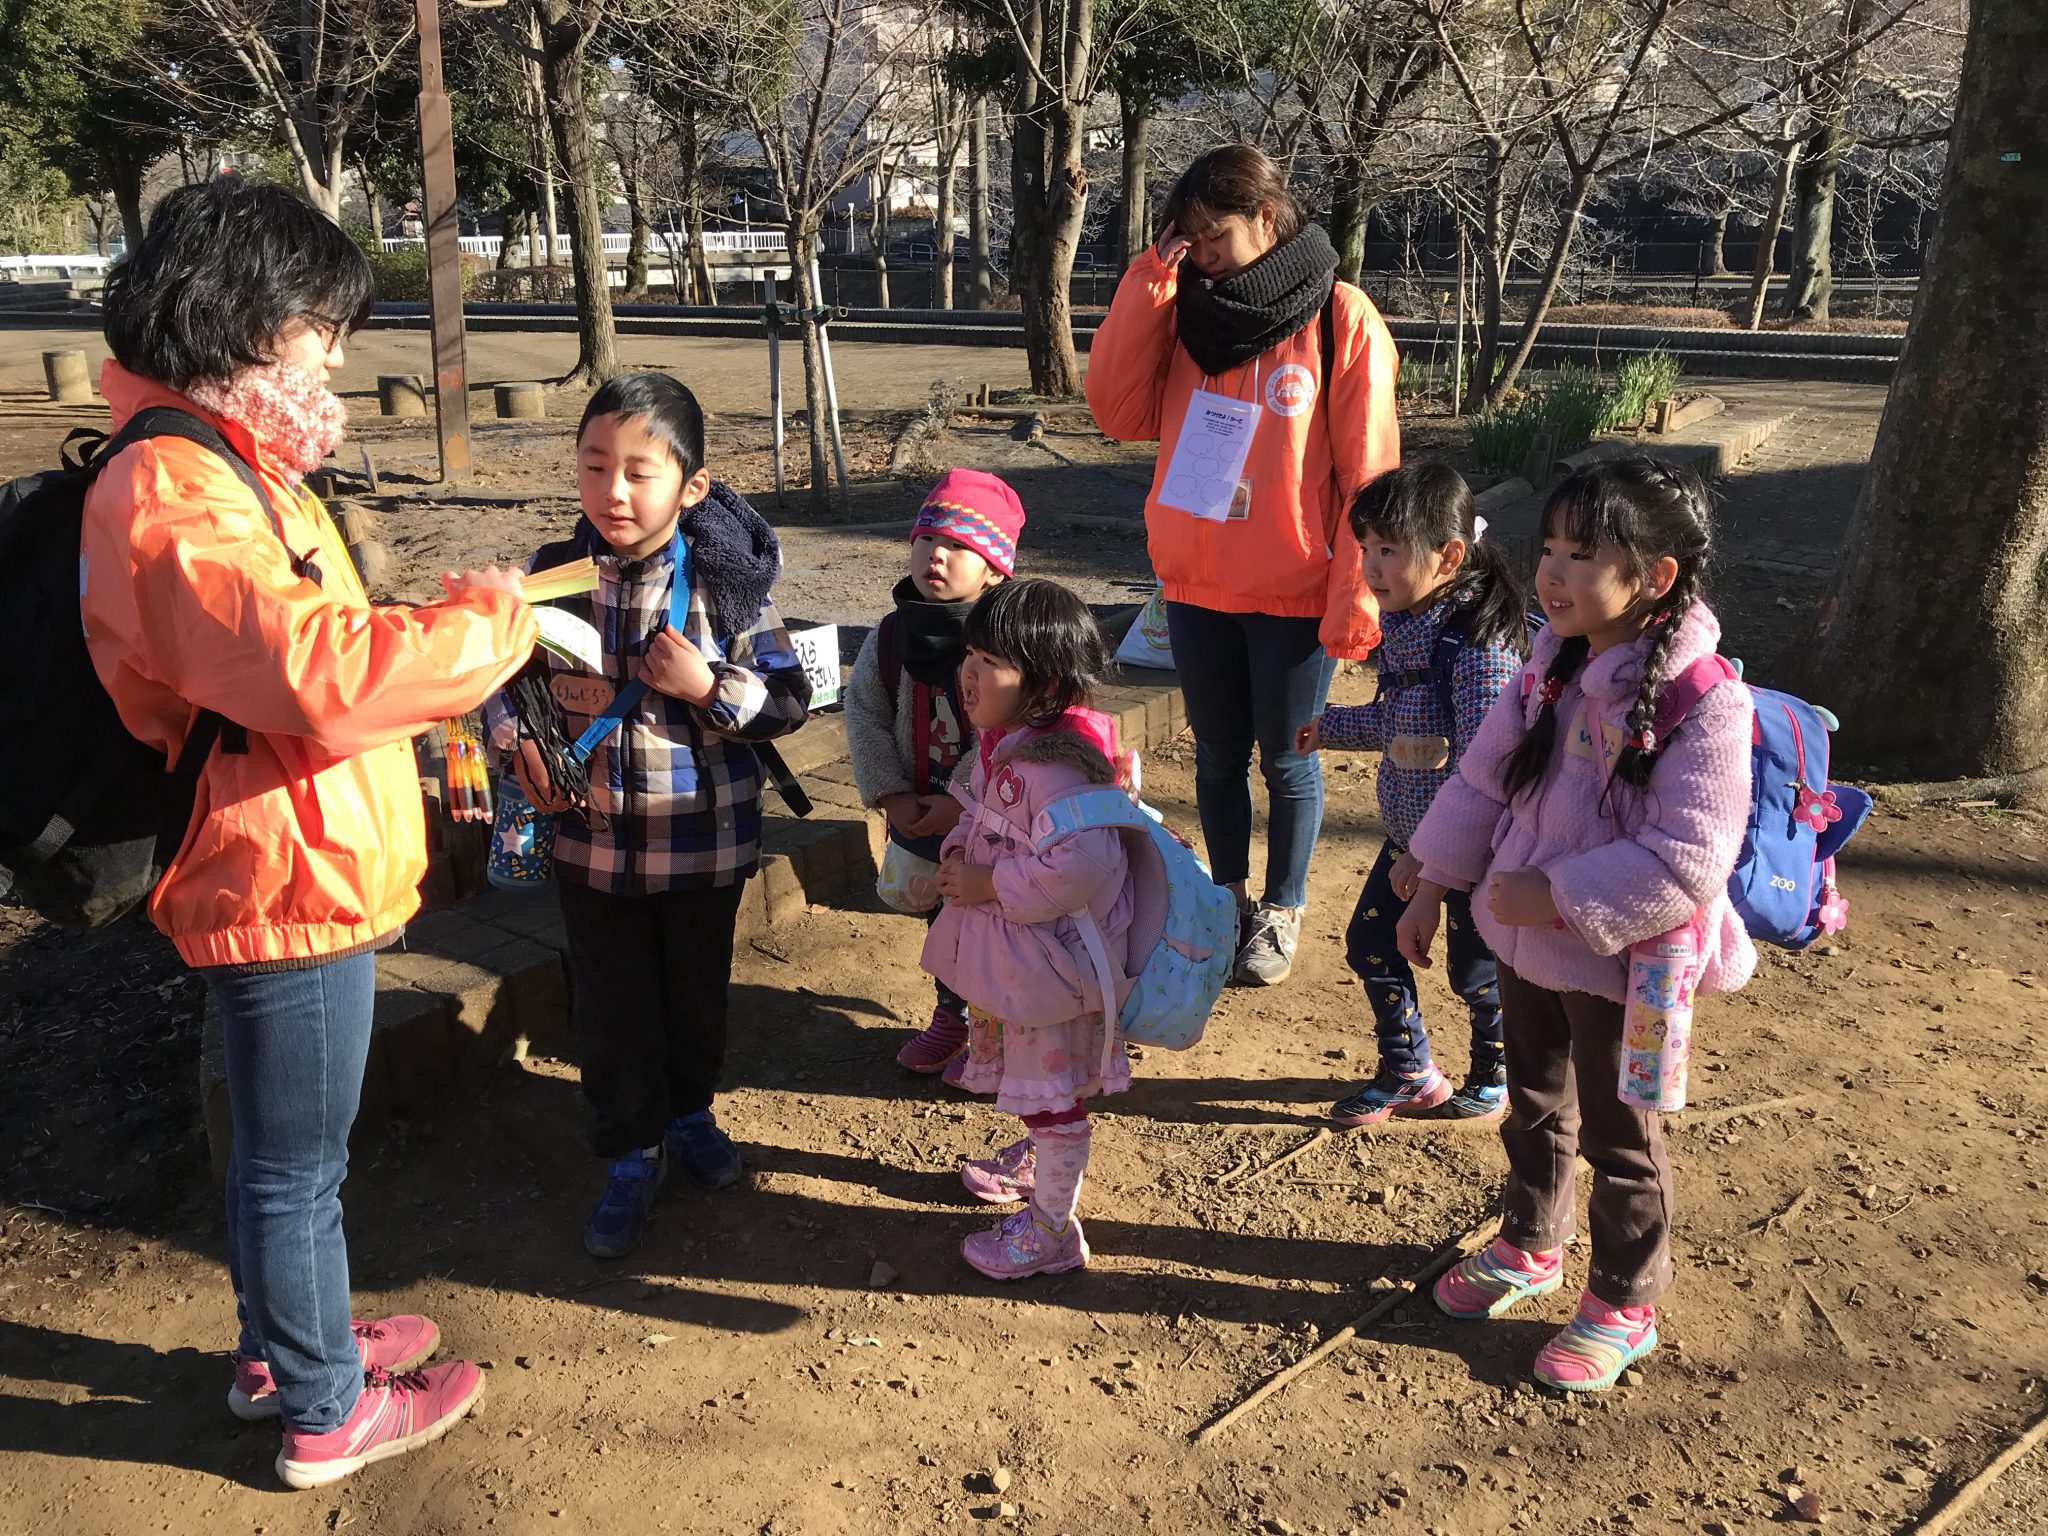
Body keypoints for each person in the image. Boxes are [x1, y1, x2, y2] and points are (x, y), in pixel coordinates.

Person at [80, 176, 538, 1489]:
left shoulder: (217, 459)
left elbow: (307, 650)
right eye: (318, 327)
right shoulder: (175, 486)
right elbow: (317, 673)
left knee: (279, 1158)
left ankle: (282, 1350)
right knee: (297, 1170)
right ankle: (327, 1408)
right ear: (241, 313)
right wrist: (483, 631)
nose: (332, 354)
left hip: (283, 853)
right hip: (277, 871)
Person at [1399, 456, 1755, 1393]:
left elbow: (1689, 858)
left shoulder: (1704, 703)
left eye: (1582, 555)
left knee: (1620, 1135)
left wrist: (1553, 893)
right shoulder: (1547, 668)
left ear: (1656, 577)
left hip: (1629, 968)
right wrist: (1434, 880)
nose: (1551, 573)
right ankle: (1530, 1242)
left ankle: (1625, 1299)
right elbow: (1481, 780)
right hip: (1528, 950)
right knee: (1533, 1105)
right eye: (1550, 548)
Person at [492, 372, 811, 1262]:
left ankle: (690, 1113)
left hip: (702, 846)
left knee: (694, 996)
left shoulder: (727, 587)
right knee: (610, 1007)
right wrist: (514, 742)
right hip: (589, 847)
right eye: (595, 467)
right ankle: (630, 1150)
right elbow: (501, 684)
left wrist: (709, 686)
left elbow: (789, 701)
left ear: (692, 485)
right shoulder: (548, 579)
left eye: (640, 472)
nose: (614, 492)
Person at [1085, 142, 1401, 987]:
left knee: (1289, 758)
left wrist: (1357, 593)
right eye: (1188, 240)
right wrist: (1150, 283)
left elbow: (1369, 473)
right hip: (1198, 581)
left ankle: (1283, 908)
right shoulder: (1184, 312)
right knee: (1218, 757)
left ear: (1266, 216)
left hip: (1296, 587)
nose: (1204, 255)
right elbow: (1116, 410)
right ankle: (1227, 899)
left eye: (1214, 235)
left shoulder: (1339, 317)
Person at [1296, 464, 1529, 1125]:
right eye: (1365, 548)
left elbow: (1486, 767)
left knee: (1476, 972)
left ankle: (1495, 1072)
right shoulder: (1410, 622)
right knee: (1372, 944)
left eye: (1389, 550)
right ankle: (1410, 1071)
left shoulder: (1478, 645)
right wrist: (1330, 727)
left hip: (1476, 850)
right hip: (1411, 839)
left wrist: (1432, 860)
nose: (1371, 567)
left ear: (1449, 556)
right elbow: (1403, 722)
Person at [919, 580, 1136, 1279]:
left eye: (991, 662)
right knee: (1036, 1087)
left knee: (1054, 1103)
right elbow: (987, 817)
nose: (968, 673)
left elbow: (1082, 867)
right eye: (970, 654)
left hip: (1053, 976)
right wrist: (962, 850)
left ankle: (1051, 1230)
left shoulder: (1060, 766)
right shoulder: (1014, 746)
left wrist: (989, 883)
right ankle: (1041, 1163)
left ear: (1043, 684)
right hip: (1025, 965)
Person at [845, 468, 1026, 1076]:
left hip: (995, 817)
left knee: (996, 919)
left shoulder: (1008, 641)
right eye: (926, 539)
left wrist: (962, 797)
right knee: (943, 914)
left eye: (957, 545)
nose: (935, 556)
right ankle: (952, 1016)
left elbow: (1012, 727)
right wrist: (890, 793)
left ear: (995, 569)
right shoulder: (891, 635)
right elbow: (865, 712)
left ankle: (1000, 1028)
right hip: (920, 812)